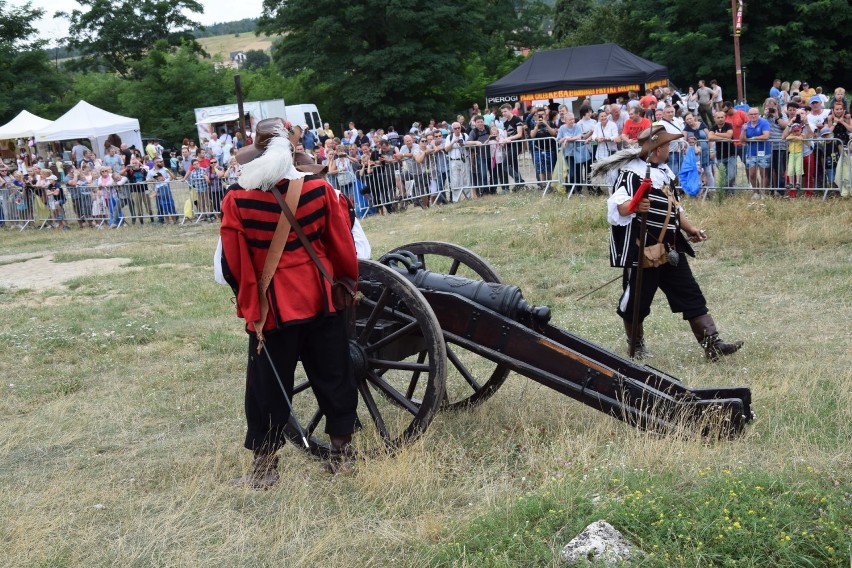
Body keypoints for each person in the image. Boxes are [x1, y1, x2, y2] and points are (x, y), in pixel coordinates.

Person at [219, 118, 359, 488]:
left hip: (273, 307)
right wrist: (345, 280)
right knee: (334, 374)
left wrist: (249, 302)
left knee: (267, 386)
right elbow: (341, 244)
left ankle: (265, 471)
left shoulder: (238, 199)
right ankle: (342, 455)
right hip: (321, 298)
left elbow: (234, 263)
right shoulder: (318, 189)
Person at [593, 125, 743, 361]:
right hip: (643, 251)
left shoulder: (664, 172)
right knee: (636, 303)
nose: (670, 150)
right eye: (667, 146)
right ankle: (636, 345)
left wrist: (690, 228)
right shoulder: (632, 174)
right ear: (657, 149)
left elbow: (674, 207)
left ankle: (712, 345)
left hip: (671, 249)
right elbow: (616, 206)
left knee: (691, 295)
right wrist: (633, 206)